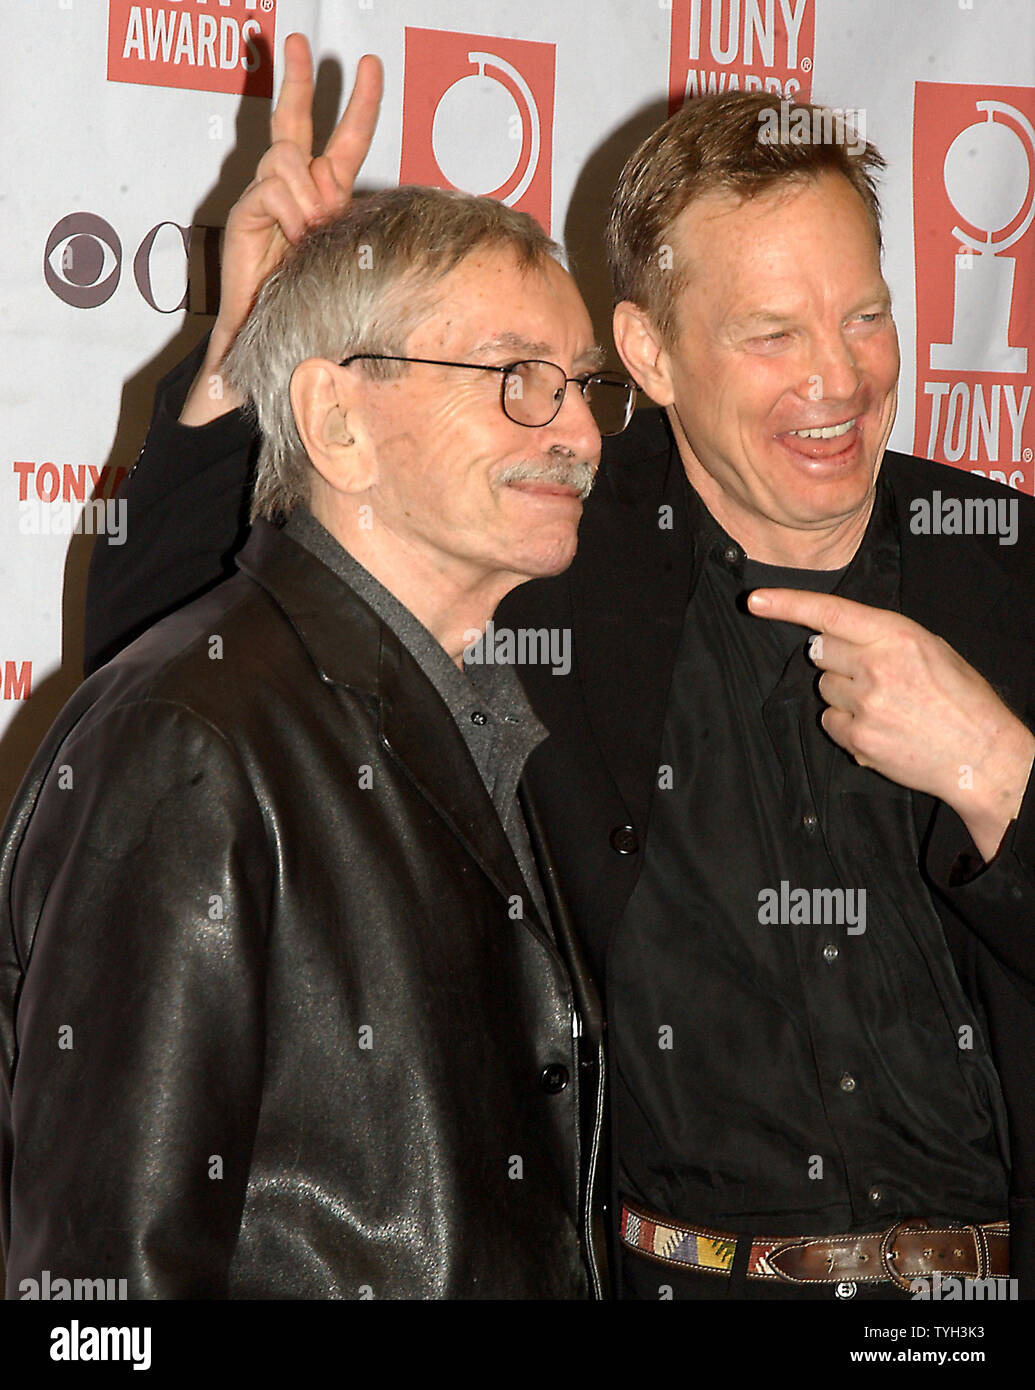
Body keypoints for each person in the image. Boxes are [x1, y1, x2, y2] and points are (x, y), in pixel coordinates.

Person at [80, 42, 1035, 1299]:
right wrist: (246, 346)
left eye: (865, 315)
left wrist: (1000, 775)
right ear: (645, 353)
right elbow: (194, 663)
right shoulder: (551, 558)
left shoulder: (1007, 563)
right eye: (772, 332)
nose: (837, 377)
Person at [0, 56, 634, 1293]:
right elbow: (102, 1289)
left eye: (579, 383)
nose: (577, 431)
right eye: (516, 378)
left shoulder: (494, 720)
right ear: (338, 423)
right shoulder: (188, 739)